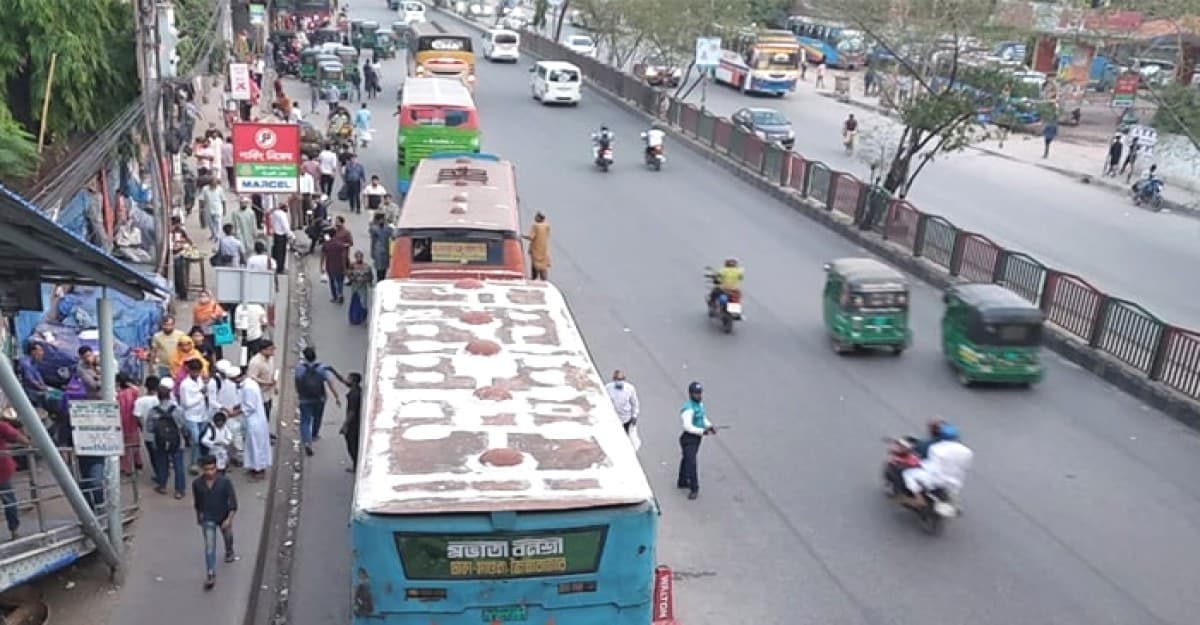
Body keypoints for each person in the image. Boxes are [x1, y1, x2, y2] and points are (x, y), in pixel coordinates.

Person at [193, 454, 237, 590]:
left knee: (228, 537)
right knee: (210, 546)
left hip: (224, 516)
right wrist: (199, 517)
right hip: (208, 518)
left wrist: (229, 519)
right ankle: (211, 573)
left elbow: (233, 502)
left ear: (216, 468)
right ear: (202, 469)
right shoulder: (197, 484)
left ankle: (229, 550)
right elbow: (197, 503)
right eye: (207, 469)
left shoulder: (225, 482)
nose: (210, 472)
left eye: (212, 469)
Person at [901, 423, 974, 506]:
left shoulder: (936, 449)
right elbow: (965, 466)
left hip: (936, 480)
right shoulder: (967, 451)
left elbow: (931, 465)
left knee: (908, 473)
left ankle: (919, 499)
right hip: (955, 481)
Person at [295, 347, 344, 456]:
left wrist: (299, 394)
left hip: (304, 399)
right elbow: (330, 383)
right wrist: (337, 397)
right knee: (317, 417)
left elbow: (297, 382)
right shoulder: (321, 368)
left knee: (305, 421)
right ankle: (314, 435)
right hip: (320, 398)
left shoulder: (299, 369)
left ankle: (307, 442)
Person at [146, 378, 189, 498]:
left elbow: (149, 428)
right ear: (170, 395)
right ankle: (179, 490)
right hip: (176, 441)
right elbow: (183, 425)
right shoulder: (178, 410)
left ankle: (162, 486)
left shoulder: (153, 412)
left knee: (162, 463)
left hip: (159, 442)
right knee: (178, 465)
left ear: (158, 397)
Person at [677, 382, 716, 500]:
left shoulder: (699, 405)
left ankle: (682, 481)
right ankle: (694, 488)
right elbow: (687, 426)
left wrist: (709, 426)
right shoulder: (688, 409)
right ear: (690, 394)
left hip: (696, 438)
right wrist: (702, 431)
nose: (699, 396)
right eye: (696, 394)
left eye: (700, 393)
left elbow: (702, 418)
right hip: (689, 438)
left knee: (686, 459)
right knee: (692, 463)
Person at [0, 419, 30, 540]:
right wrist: (28, 442)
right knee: (9, 500)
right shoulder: (1, 426)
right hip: (2, 469)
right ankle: (14, 530)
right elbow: (19, 438)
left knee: (9, 500)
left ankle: (14, 529)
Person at [179, 359, 210, 471]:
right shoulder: (185, 385)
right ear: (189, 371)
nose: (197, 374)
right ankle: (193, 463)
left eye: (198, 371)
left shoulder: (200, 380)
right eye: (195, 372)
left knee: (203, 438)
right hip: (191, 416)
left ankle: (201, 459)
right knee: (195, 440)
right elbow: (186, 403)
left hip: (202, 414)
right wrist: (201, 395)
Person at [133, 376, 162, 482]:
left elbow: (137, 416)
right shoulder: (160, 399)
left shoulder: (140, 401)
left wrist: (143, 427)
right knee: (161, 453)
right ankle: (163, 472)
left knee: (153, 455)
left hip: (148, 433)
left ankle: (159, 474)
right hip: (162, 431)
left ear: (145, 387)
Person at [116, 373, 144, 474]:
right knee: (135, 444)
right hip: (133, 422)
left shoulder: (119, 395)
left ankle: (126, 468)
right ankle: (138, 463)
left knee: (124, 447)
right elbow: (136, 389)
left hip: (122, 422)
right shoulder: (134, 391)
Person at [192, 291, 228, 359]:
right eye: (201, 296)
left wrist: (216, 318)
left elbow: (223, 318)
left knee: (216, 351)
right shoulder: (196, 308)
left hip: (214, 333)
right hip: (203, 333)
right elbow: (195, 321)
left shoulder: (214, 306)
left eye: (205, 296)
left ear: (209, 297)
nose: (203, 298)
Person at [247, 341, 278, 419]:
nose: (272, 351)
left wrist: (274, 386)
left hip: (269, 394)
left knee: (267, 414)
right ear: (263, 350)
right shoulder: (255, 362)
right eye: (270, 349)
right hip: (260, 395)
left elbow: (272, 371)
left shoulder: (271, 359)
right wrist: (267, 383)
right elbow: (252, 378)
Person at [339, 372, 363, 472]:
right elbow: (343, 381)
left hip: (353, 424)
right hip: (356, 422)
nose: (346, 380)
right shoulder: (358, 390)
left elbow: (352, 412)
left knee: (352, 445)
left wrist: (345, 425)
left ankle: (356, 466)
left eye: (349, 378)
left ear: (353, 381)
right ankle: (356, 465)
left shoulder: (353, 394)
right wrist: (333, 371)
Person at [604, 370, 640, 435]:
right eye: (617, 379)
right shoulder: (608, 387)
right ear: (613, 379)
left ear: (624, 379)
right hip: (612, 419)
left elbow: (635, 403)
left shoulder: (630, 389)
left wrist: (634, 416)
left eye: (620, 379)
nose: (619, 381)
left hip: (625, 419)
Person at [321, 226, 351, 304]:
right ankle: (340, 294)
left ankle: (334, 297)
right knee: (340, 281)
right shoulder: (341, 245)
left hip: (330, 266)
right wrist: (345, 268)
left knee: (332, 281)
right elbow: (344, 257)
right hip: (339, 266)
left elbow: (323, 257)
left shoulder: (326, 244)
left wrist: (321, 267)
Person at [347, 250, 375, 326]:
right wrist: (354, 278)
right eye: (357, 257)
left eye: (360, 256)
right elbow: (349, 275)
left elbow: (370, 277)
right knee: (355, 302)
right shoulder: (352, 266)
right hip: (355, 287)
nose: (359, 258)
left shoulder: (367, 266)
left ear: (362, 257)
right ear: (355, 257)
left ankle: (363, 319)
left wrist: (366, 280)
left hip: (363, 287)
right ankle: (354, 319)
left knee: (363, 303)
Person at [523, 212, 550, 280]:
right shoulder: (547, 226)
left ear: (539, 218)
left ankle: (534, 278)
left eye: (536, 217)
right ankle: (544, 279)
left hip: (535, 249)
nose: (535, 218)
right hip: (544, 249)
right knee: (543, 266)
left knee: (535, 265)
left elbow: (531, 237)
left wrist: (522, 236)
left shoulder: (535, 226)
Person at [199, 178, 227, 243]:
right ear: (209, 184)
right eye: (212, 184)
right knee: (210, 224)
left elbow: (223, 199)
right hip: (208, 209)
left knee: (218, 223)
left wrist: (225, 209)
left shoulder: (220, 189)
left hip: (218, 209)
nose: (214, 186)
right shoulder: (205, 189)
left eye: (215, 184)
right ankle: (213, 234)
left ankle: (218, 237)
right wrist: (201, 208)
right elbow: (201, 199)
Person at [270, 201, 293, 275]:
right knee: (281, 254)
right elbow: (285, 227)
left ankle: (274, 267)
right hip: (281, 235)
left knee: (275, 252)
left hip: (275, 234)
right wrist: (291, 235)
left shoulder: (274, 213)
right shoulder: (282, 215)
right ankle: (280, 269)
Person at [368, 212, 393, 281]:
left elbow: (394, 236)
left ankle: (382, 280)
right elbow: (372, 239)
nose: (383, 221)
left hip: (385, 250)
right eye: (382, 219)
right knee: (379, 269)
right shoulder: (374, 228)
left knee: (384, 268)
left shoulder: (388, 228)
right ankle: (379, 280)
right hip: (378, 250)